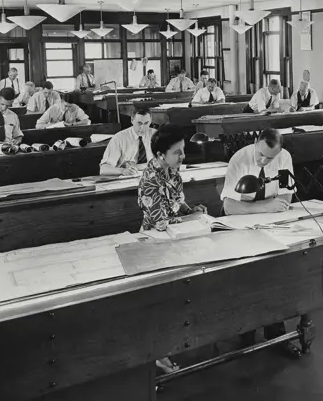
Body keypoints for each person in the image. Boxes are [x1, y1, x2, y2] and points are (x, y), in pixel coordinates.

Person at [221, 128, 299, 356]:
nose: (264, 160)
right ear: (255, 142)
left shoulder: (284, 158)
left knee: (276, 274)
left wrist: (274, 207)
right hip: (240, 224)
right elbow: (229, 207)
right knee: (247, 277)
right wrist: (265, 206)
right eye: (261, 155)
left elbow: (286, 197)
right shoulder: (240, 159)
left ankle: (277, 334)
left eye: (270, 157)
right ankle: (245, 332)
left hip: (271, 223)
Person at [137, 125, 207, 374]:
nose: (182, 157)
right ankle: (158, 354)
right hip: (156, 246)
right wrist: (192, 219)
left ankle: (170, 345)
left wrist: (193, 211)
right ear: (159, 155)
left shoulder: (173, 172)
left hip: (177, 240)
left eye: (183, 151)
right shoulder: (150, 180)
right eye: (177, 152)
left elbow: (177, 205)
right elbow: (161, 221)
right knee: (162, 302)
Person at [100, 108, 156, 176]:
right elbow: (104, 169)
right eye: (139, 123)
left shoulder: (156, 135)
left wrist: (136, 166)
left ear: (151, 121)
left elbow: (164, 162)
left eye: (146, 123)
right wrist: (123, 171)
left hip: (151, 177)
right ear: (132, 120)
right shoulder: (119, 138)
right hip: (127, 179)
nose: (142, 128)